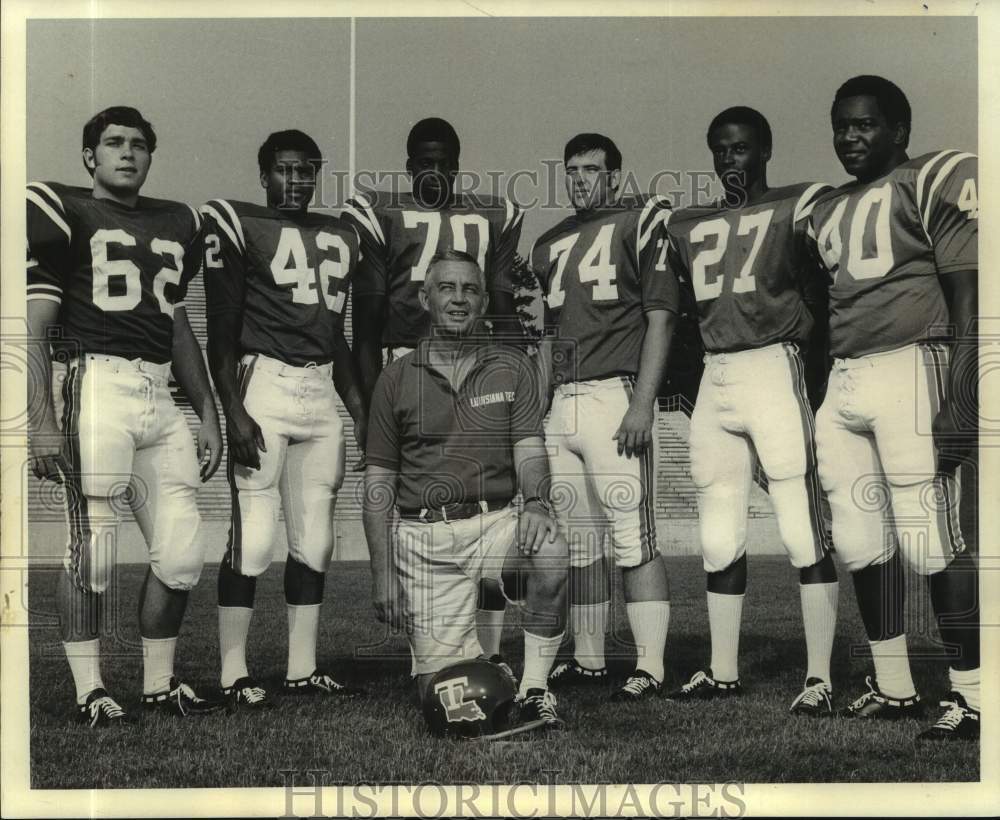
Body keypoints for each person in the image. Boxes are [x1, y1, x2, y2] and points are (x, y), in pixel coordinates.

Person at [26, 106, 223, 725]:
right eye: (113, 143)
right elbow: (35, 325)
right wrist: (40, 419)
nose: (127, 153)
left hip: (160, 391)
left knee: (184, 553)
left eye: (139, 144)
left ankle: (158, 684)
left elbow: (178, 325)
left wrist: (208, 412)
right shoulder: (67, 209)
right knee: (97, 549)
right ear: (90, 156)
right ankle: (90, 688)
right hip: (97, 382)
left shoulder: (176, 221)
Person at [807, 75, 979, 740]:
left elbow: (968, 292)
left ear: (899, 131)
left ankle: (973, 694)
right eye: (842, 125)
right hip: (846, 381)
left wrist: (963, 397)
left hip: (914, 363)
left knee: (931, 541)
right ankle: (894, 685)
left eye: (865, 125)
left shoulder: (928, 179)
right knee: (858, 540)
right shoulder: (826, 209)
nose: (851, 137)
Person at [659, 107, 839, 714]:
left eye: (739, 148)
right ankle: (723, 669)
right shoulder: (688, 224)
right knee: (718, 533)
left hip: (773, 364)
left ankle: (819, 676)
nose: (728, 159)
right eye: (719, 149)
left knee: (799, 528)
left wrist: (816, 382)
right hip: (717, 372)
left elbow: (824, 295)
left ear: (764, 150)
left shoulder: (798, 205)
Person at [362, 249, 568, 731]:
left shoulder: (512, 368)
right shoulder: (394, 380)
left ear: (482, 302)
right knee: (442, 701)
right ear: (425, 298)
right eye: (447, 288)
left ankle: (536, 689)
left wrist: (537, 502)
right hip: (424, 541)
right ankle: (482, 663)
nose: (459, 299)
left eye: (470, 289)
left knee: (553, 549)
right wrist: (381, 574)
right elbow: (377, 487)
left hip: (493, 522)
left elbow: (531, 451)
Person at [343, 117, 523, 662]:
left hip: (475, 370)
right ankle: (438, 633)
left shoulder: (492, 215)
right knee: (417, 505)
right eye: (425, 162)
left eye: (446, 163)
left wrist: (522, 378)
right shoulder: (383, 213)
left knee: (492, 510)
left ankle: (491, 654)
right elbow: (367, 323)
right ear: (409, 165)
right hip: (406, 367)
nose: (436, 172)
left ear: (458, 166)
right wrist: (368, 406)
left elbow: (506, 308)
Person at [203, 130, 367, 709]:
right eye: (283, 170)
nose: (295, 181)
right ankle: (232, 671)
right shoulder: (241, 223)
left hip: (320, 389)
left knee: (316, 540)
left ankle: (302, 668)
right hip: (264, 383)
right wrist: (233, 410)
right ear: (264, 174)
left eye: (305, 171)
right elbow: (220, 329)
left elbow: (338, 340)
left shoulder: (340, 233)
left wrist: (361, 414)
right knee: (253, 539)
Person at [530, 133, 676, 700]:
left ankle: (651, 665)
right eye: (571, 171)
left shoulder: (640, 222)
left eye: (591, 170)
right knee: (579, 541)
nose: (580, 180)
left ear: (613, 175)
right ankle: (589, 658)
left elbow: (661, 316)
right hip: (562, 402)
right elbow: (548, 334)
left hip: (616, 396)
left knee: (632, 536)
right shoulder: (549, 242)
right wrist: (538, 406)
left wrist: (643, 402)